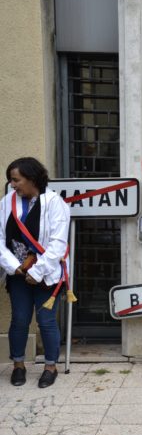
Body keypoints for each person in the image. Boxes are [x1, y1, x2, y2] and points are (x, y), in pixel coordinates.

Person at [0, 158, 70, 388]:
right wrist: (15, 267)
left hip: (46, 274)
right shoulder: (7, 202)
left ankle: (50, 367)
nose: (12, 184)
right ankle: (18, 365)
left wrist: (38, 271)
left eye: (16, 179)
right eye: (11, 179)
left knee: (46, 321)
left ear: (31, 179)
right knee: (19, 319)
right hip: (18, 273)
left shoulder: (54, 203)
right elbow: (0, 240)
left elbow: (58, 244)